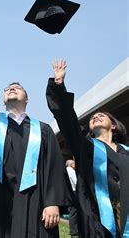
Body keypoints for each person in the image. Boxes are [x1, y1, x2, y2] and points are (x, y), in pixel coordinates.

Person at [0, 33, 71, 237]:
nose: (11, 88)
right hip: (1, 201)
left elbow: (53, 166)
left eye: (17, 88)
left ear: (27, 99)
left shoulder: (42, 130)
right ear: (3, 99)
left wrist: (52, 202)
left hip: (36, 199)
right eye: (7, 89)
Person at [46, 59, 129, 238]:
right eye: (93, 117)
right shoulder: (85, 147)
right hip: (98, 223)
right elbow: (68, 121)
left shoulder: (126, 152)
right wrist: (60, 87)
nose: (96, 116)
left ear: (113, 126)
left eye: (102, 115)